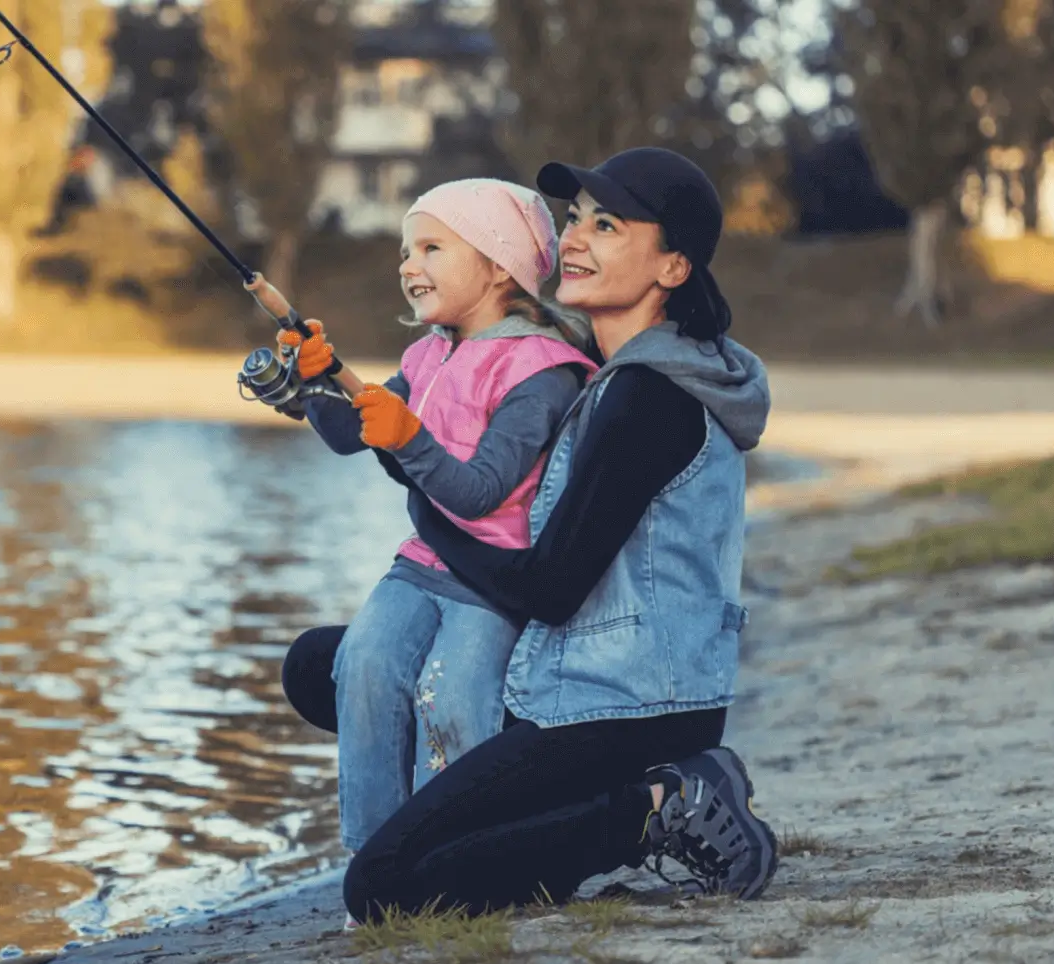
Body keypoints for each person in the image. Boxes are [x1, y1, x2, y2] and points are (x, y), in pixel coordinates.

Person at [281, 148, 781, 920]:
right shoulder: (600, 369)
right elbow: (452, 464)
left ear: (673, 267)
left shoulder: (646, 399)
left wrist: (422, 514)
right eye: (575, 218)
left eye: (606, 225)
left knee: (384, 887)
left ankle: (655, 807)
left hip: (626, 705)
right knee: (329, 665)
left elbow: (547, 588)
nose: (573, 238)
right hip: (577, 673)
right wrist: (341, 400)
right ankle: (517, 814)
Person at [287, 178, 600, 859]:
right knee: (364, 665)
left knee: (453, 699)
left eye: (430, 247)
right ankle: (374, 865)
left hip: (494, 583)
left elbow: (480, 492)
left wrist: (409, 439)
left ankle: (456, 858)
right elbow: (349, 434)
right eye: (405, 250)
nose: (407, 265)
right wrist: (317, 380)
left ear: (497, 265)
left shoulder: (541, 370)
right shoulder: (427, 354)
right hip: (420, 567)